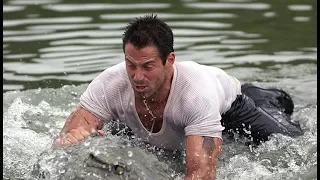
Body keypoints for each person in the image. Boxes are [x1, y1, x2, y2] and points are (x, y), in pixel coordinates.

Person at [52, 14, 303, 180]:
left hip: (231, 107)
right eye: (131, 65)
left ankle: (266, 96)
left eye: (148, 66)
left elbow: (201, 174)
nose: (137, 77)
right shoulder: (110, 83)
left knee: (293, 143)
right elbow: (64, 143)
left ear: (169, 61)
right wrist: (73, 140)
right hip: (160, 120)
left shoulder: (196, 94)